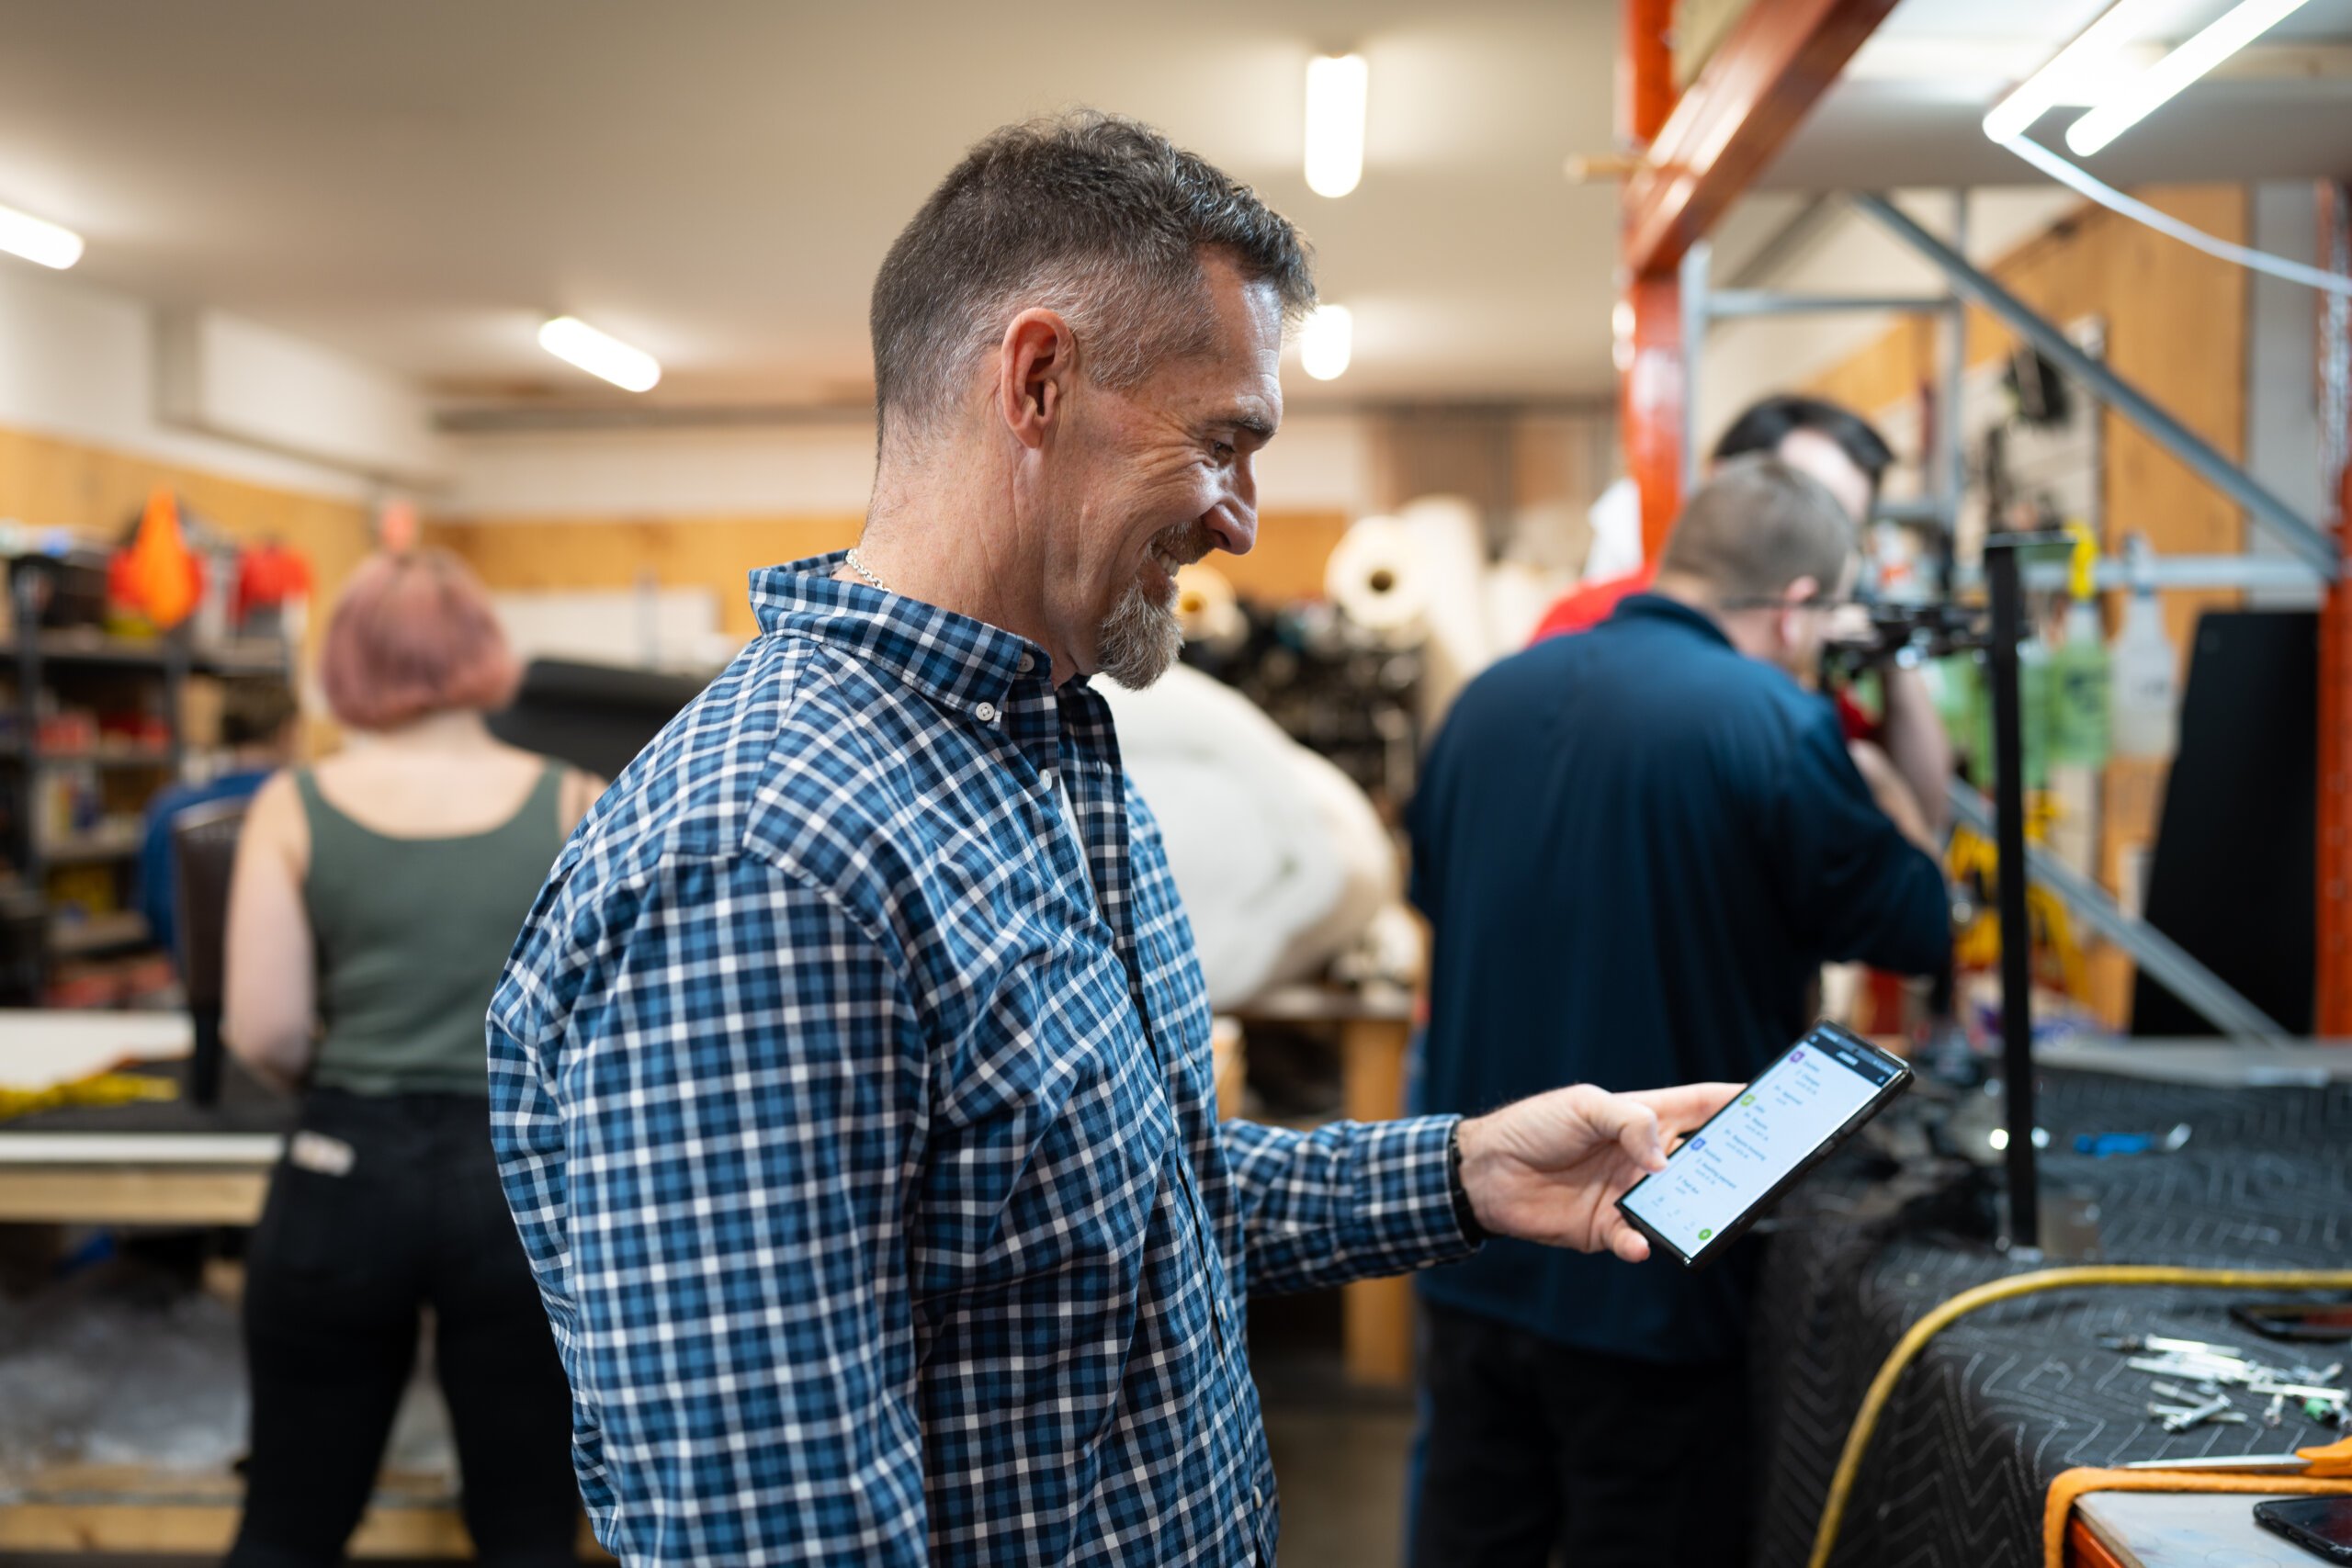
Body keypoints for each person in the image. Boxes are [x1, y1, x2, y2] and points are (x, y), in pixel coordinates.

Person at [488, 112, 1737, 1568]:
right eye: (1223, 442)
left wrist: (1465, 1172)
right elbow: (780, 1539)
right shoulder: (769, 859)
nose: (1245, 520)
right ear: (1038, 379)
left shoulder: (1044, 749)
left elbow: (1141, 1199)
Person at [1405, 458, 1954, 1568]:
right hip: (1656, 1255)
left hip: (1478, 1237)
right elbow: (1917, 921)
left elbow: (1431, 900)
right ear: (1799, 608)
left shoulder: (1489, 697)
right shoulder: (1770, 721)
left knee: (1471, 1533)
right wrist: (1894, 730)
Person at [220, 549, 602, 1568]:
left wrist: (347, 1083)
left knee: (291, 1520)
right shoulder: (576, 801)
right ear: (484, 651)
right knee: (528, 1525)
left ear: (345, 662)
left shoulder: (292, 807)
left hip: (344, 1169)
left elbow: (264, 1029)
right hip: (517, 1181)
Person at [1534, 393, 1951, 839]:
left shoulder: (1810, 648)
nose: (1824, 544)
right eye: (1804, 500)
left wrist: (1888, 655)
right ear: (1728, 483)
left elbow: (1922, 809)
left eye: (1845, 527)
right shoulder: (1587, 618)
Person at [136, 679, 299, 962]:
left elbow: (148, 911)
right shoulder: (298, 807)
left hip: (190, 979)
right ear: (287, 732)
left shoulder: (168, 807)